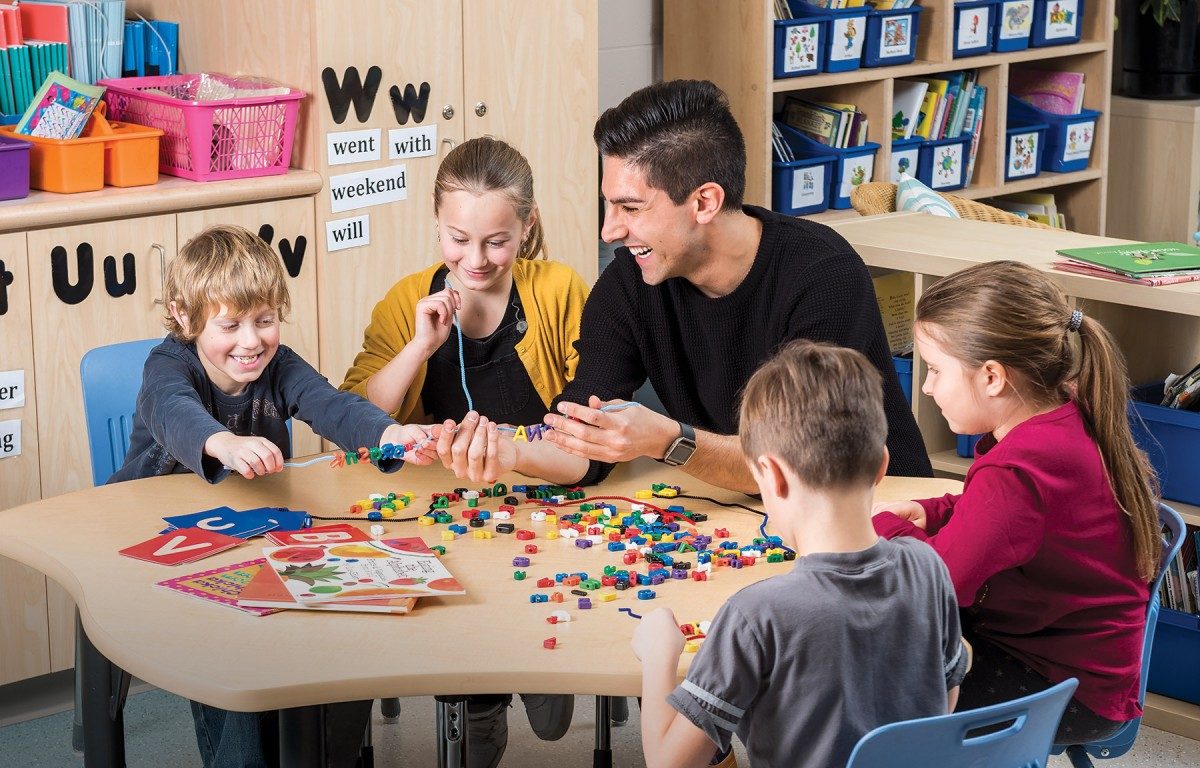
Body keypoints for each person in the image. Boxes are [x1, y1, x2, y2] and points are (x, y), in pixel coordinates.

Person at [435, 79, 931, 493]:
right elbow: (586, 440)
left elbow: (807, 463)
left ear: (705, 202)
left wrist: (668, 441)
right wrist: (512, 452)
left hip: (877, 512)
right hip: (755, 513)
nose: (610, 231)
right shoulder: (630, 282)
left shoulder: (822, 274)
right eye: (609, 205)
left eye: (631, 208)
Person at [109, 225, 430, 768]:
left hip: (253, 531)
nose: (251, 341)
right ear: (184, 317)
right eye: (230, 325)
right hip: (162, 538)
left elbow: (331, 405)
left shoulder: (279, 367)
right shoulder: (168, 365)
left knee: (341, 607)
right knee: (229, 643)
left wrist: (389, 434)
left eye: (264, 320)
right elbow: (172, 410)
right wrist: (224, 443)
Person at [340, 136, 586, 768]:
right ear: (436, 224)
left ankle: (543, 655)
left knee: (533, 601)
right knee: (465, 602)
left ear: (527, 227)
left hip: (544, 504)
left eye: (496, 242)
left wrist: (515, 449)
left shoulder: (558, 290)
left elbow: (590, 412)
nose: (475, 260)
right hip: (446, 514)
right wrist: (418, 348)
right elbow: (356, 419)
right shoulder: (407, 300)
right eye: (458, 238)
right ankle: (481, 699)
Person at [632, 341, 966, 768]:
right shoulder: (927, 567)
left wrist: (659, 655)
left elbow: (668, 763)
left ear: (771, 475)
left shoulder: (755, 615)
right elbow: (944, 699)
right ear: (882, 465)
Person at [872, 260, 1159, 743]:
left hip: (1059, 687)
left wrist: (883, 526)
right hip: (1086, 665)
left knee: (861, 679)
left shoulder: (1018, 468)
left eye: (936, 370)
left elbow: (938, 587)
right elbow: (1011, 519)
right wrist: (937, 512)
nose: (926, 386)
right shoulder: (1064, 414)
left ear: (992, 377)